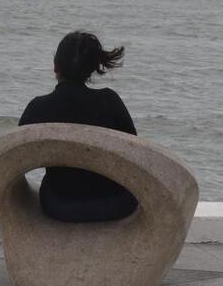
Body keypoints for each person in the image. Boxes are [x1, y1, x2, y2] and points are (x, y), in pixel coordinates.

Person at [18, 31, 140, 223]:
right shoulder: (110, 102)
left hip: (59, 206)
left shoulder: (38, 107)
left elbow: (18, 158)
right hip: (114, 204)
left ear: (55, 67)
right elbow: (134, 153)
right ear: (92, 69)